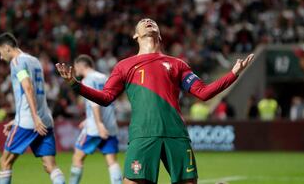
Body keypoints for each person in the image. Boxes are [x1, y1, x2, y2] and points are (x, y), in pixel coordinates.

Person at [56, 18, 254, 184]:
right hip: (143, 135)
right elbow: (106, 98)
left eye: (152, 22)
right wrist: (75, 84)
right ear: (135, 35)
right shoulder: (124, 66)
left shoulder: (178, 65)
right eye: (143, 22)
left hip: (175, 134)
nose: (148, 21)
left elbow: (203, 92)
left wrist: (233, 74)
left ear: (159, 34)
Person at [0, 33, 65, 184]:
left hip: (29, 121)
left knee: (5, 162)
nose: (1, 57)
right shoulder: (34, 61)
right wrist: (17, 119)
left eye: (0, 52)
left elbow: (28, 87)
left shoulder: (16, 62)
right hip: (45, 118)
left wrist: (33, 117)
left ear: (7, 48)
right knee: (50, 165)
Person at [69, 55, 122, 184]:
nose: (75, 70)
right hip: (110, 125)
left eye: (76, 67)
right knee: (112, 161)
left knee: (77, 158)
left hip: (95, 128)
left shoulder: (87, 80)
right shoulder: (104, 77)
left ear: (82, 66)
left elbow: (95, 104)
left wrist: (98, 124)